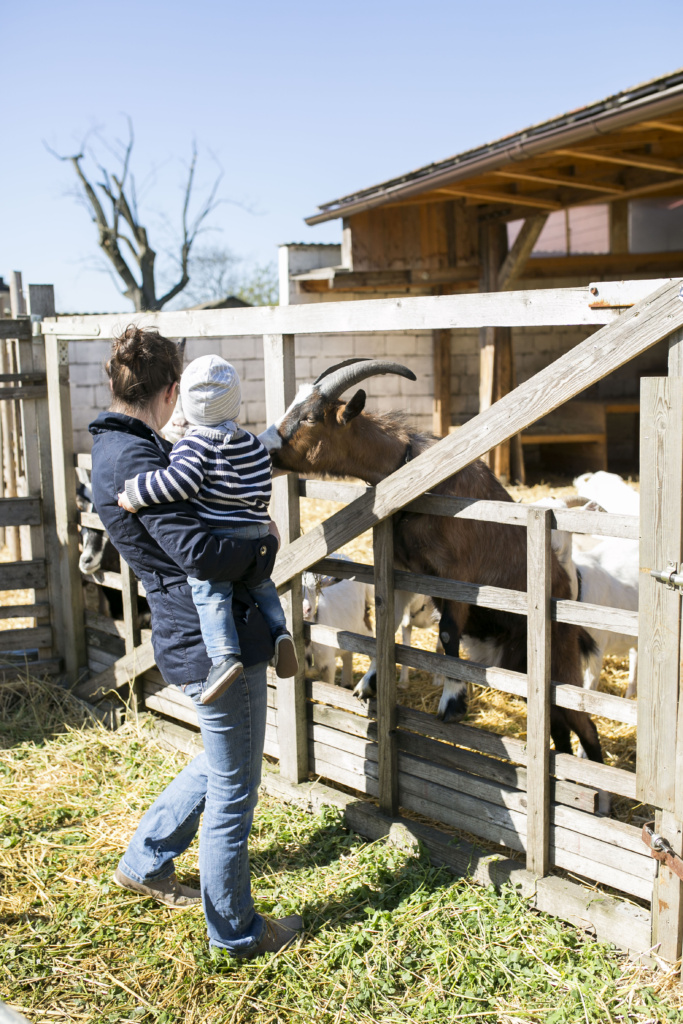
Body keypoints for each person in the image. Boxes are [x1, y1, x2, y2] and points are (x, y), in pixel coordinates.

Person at [88, 325, 302, 958]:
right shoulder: (136, 461)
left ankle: (147, 860)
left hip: (195, 628)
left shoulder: (127, 446)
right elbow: (201, 552)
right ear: (172, 390)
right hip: (212, 637)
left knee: (221, 761)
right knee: (236, 789)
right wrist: (264, 542)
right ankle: (234, 930)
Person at [117, 353, 298, 705]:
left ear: (187, 405)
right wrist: (258, 515)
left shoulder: (193, 446)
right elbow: (263, 486)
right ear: (237, 404)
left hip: (223, 535)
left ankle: (223, 658)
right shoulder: (255, 446)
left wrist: (135, 494)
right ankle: (280, 632)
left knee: (210, 591)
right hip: (257, 530)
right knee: (261, 585)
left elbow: (176, 484)